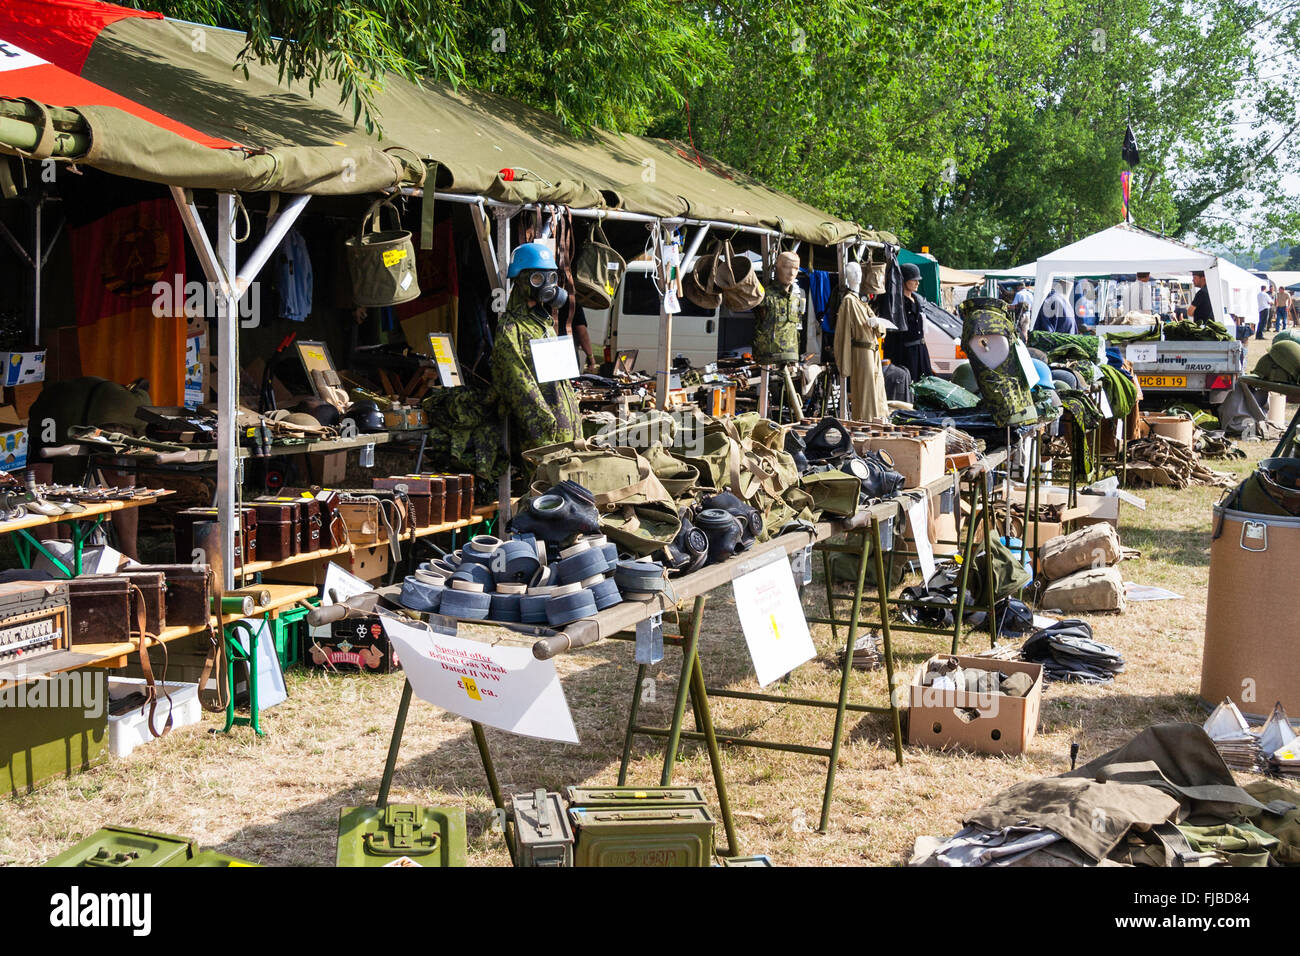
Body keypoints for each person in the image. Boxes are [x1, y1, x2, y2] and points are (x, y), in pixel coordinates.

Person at [490, 242, 580, 452]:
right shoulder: (511, 329)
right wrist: (546, 432)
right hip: (547, 435)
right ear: (521, 281)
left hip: (570, 428)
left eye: (551, 278)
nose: (547, 285)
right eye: (537, 278)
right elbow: (520, 387)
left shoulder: (544, 322)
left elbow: (560, 379)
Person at [884, 261, 933, 382]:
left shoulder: (918, 299)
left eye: (918, 279)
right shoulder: (897, 304)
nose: (917, 282)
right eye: (913, 279)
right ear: (904, 280)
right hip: (905, 352)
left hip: (921, 349)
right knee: (909, 384)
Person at [558, 302, 597, 371]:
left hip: (544, 346)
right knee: (570, 381)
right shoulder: (573, 305)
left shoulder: (544, 299)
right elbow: (583, 335)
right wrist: (591, 357)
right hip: (567, 352)